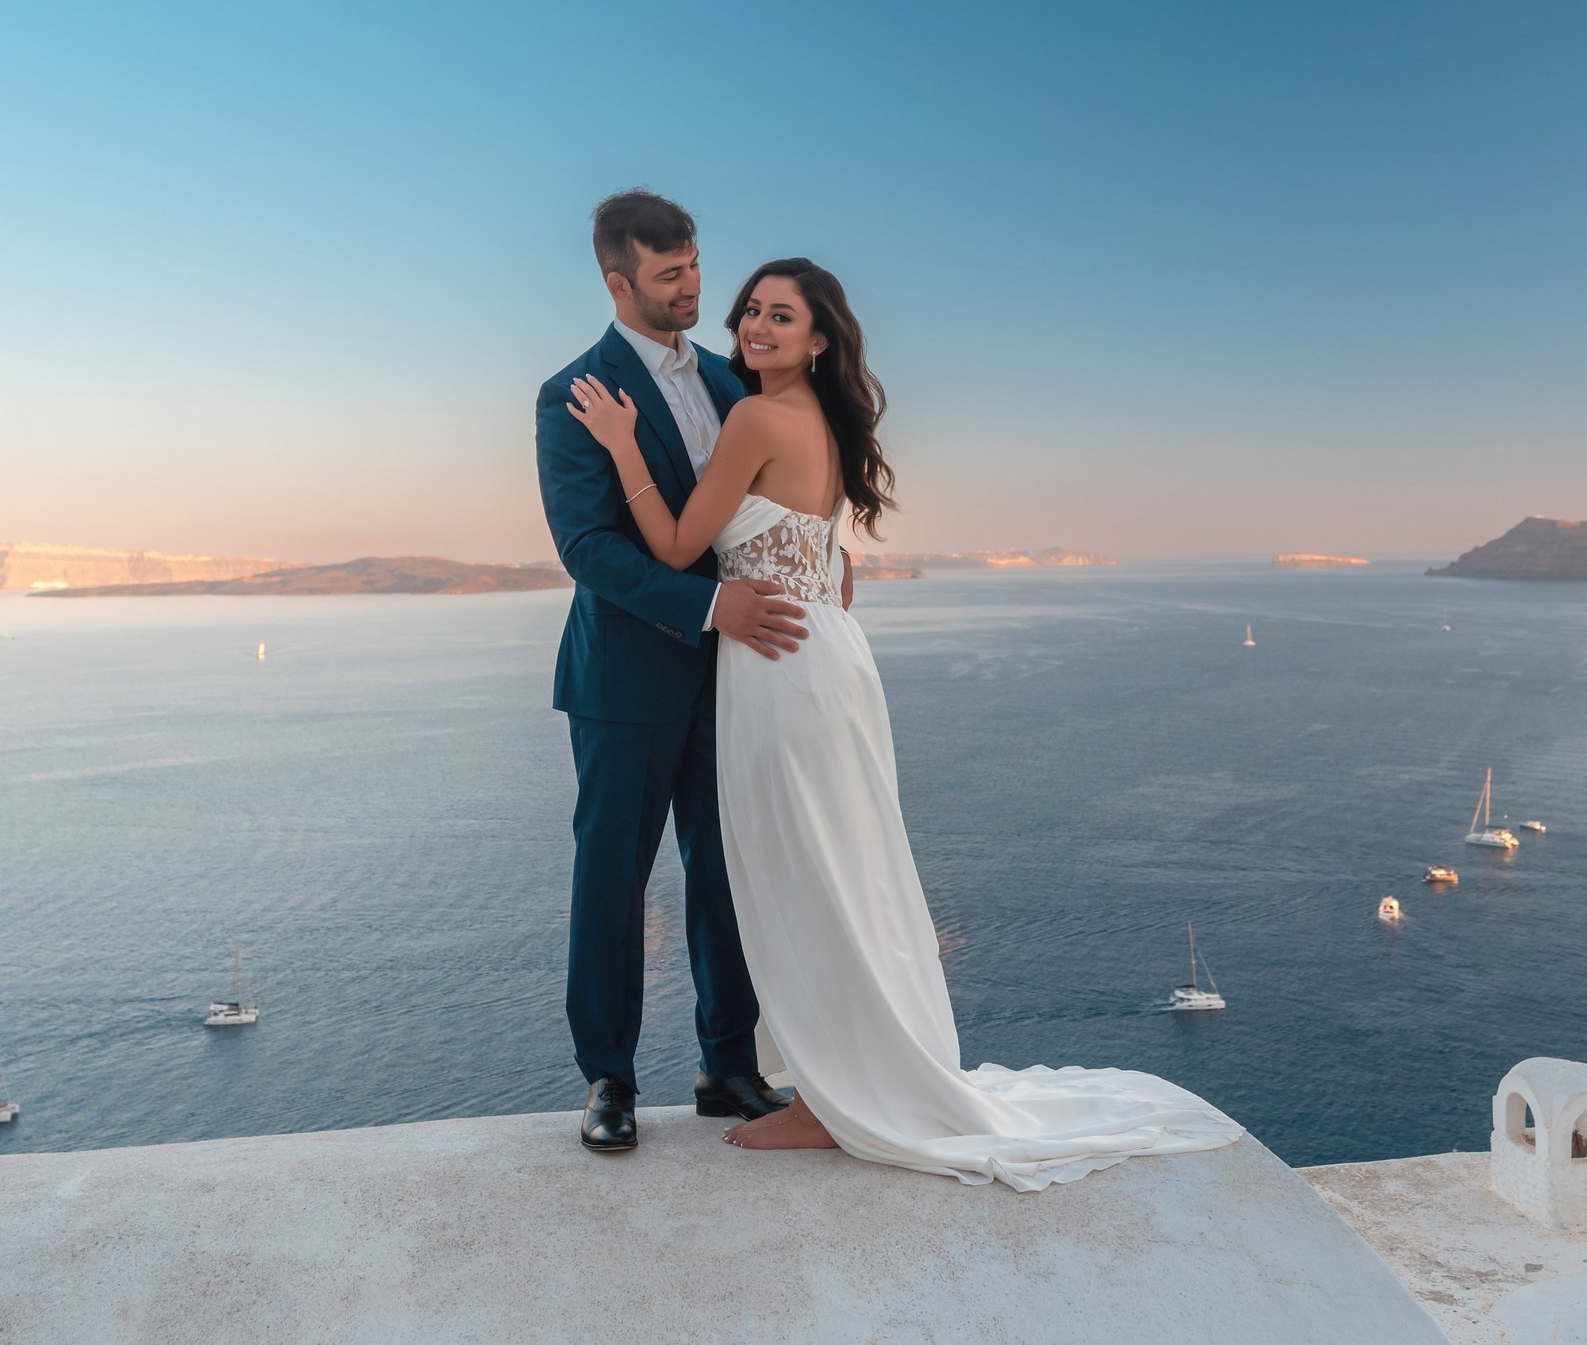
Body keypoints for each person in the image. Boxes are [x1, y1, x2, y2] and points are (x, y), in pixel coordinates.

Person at [565, 254, 1246, 1191]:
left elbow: (683, 543)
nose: (755, 326)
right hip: (823, 657)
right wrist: (815, 563)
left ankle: (819, 1096)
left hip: (776, 669)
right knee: (848, 871)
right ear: (622, 276)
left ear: (820, 337)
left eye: (781, 315)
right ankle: (817, 1078)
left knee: (810, 882)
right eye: (751, 310)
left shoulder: (754, 410)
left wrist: (624, 445)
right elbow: (803, 536)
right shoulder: (816, 417)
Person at [533, 190, 807, 1155]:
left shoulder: (740, 381)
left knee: (726, 871)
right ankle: (609, 1078)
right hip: (625, 681)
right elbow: (588, 548)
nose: (695, 287)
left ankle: (728, 1064)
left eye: (694, 264)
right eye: (669, 275)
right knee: (613, 876)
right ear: (618, 282)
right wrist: (702, 605)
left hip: (734, 673)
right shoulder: (574, 392)